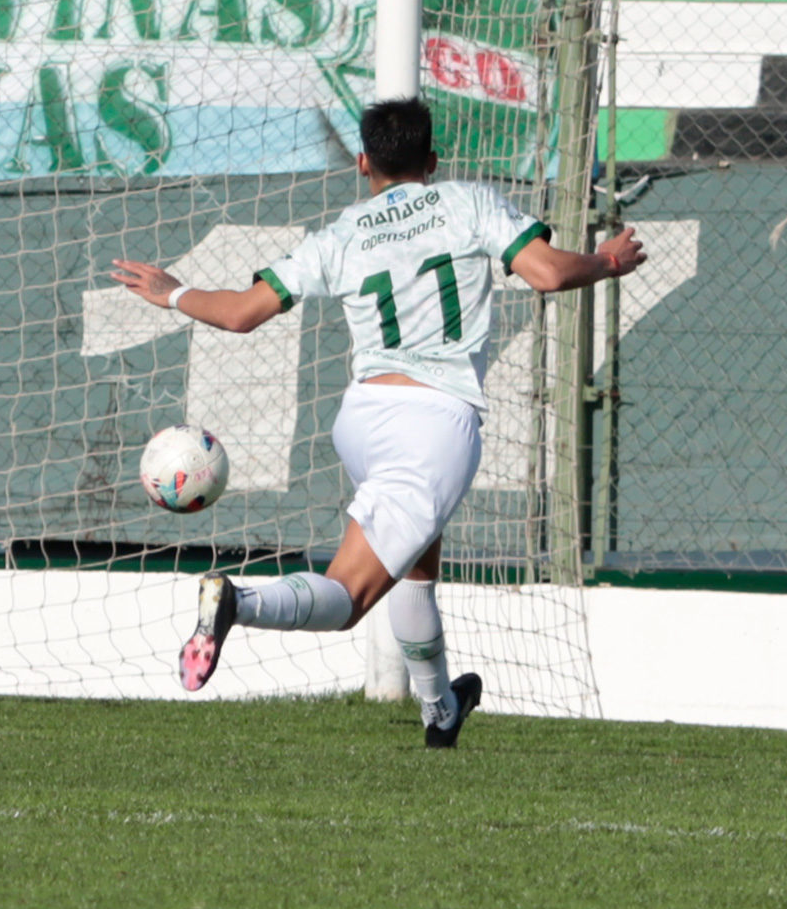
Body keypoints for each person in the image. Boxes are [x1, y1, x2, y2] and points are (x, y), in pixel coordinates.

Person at [112, 97, 645, 748]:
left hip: (364, 417)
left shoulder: (343, 234)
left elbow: (243, 312)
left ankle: (439, 712)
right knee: (351, 595)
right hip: (434, 423)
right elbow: (549, 273)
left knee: (418, 563)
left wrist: (171, 291)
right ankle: (235, 604)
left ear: (363, 161)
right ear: (433, 161)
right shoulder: (468, 202)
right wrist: (607, 262)